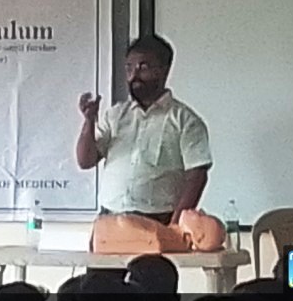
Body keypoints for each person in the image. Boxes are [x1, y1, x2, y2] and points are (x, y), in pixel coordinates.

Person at [76, 34, 212, 226]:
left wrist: (174, 226)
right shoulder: (115, 115)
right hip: (110, 219)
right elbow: (85, 161)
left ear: (164, 70)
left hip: (158, 221)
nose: (134, 75)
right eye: (129, 68)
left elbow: (196, 177)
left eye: (143, 67)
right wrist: (89, 121)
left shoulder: (185, 121)